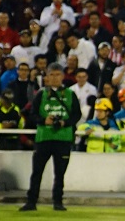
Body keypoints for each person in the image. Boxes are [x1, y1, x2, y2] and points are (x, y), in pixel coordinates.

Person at [20, 65, 82, 211]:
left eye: (57, 74)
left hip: (63, 138)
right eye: (51, 75)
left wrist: (64, 122)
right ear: (47, 77)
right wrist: (44, 120)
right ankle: (31, 201)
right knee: (37, 171)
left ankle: (58, 201)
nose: (54, 78)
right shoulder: (41, 94)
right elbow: (32, 114)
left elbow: (76, 115)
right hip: (44, 137)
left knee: (59, 173)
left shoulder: (70, 94)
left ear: (62, 76)